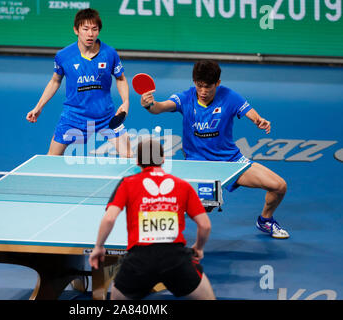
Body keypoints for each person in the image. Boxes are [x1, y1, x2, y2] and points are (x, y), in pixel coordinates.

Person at [139, 60, 289, 239]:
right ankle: (155, 234)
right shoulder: (186, 97)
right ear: (194, 82)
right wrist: (149, 104)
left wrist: (259, 120)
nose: (203, 91)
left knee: (279, 186)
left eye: (208, 87)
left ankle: (265, 220)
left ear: (217, 83)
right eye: (199, 86)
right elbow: (160, 108)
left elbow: (251, 113)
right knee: (190, 202)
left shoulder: (229, 97)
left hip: (230, 161)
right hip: (197, 165)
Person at [89, 139, 215, 300]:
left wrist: (99, 247)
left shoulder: (127, 183)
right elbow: (205, 225)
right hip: (175, 259)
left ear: (137, 161)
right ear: (163, 159)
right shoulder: (182, 185)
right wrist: (198, 247)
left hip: (139, 260)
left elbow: (109, 219)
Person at [26, 8, 132, 158]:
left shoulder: (109, 53)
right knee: (51, 158)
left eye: (94, 29)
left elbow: (120, 79)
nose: (90, 34)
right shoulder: (63, 56)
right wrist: (39, 106)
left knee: (129, 157)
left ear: (99, 31)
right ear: (76, 30)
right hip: (74, 116)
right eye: (86, 29)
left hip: (106, 117)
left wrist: (126, 101)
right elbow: (55, 81)